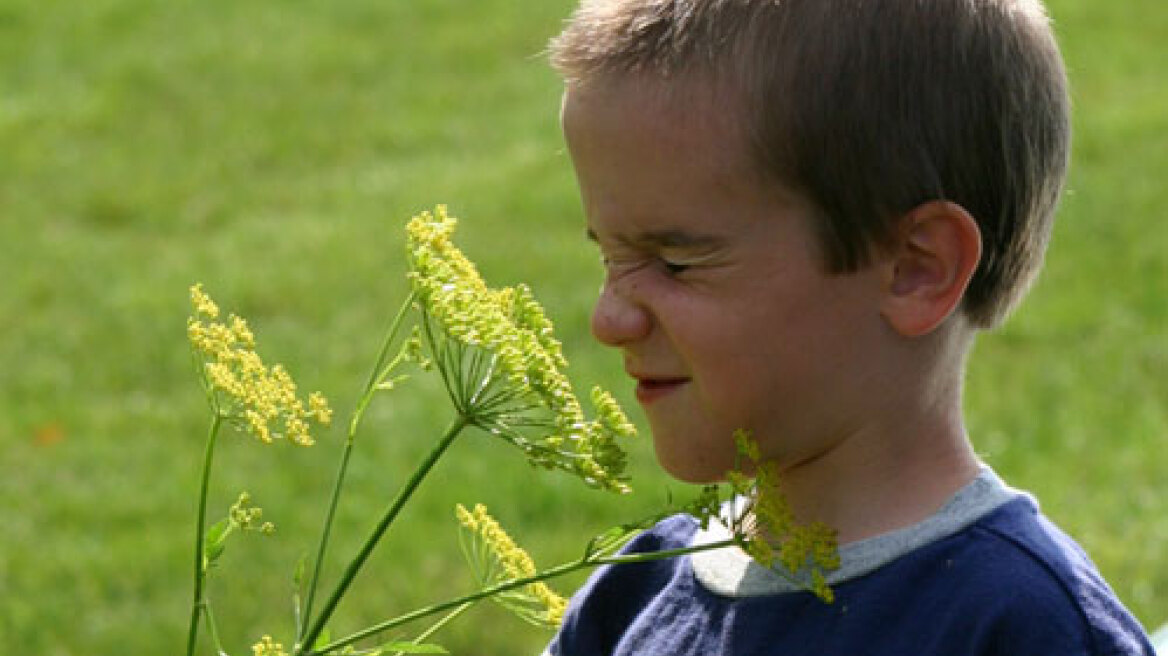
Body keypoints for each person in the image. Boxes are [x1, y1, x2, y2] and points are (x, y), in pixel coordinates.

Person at [542, 0, 1156, 654]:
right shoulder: (632, 595)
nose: (608, 319)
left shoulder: (1017, 626)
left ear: (916, 269)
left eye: (676, 262)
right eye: (609, 258)